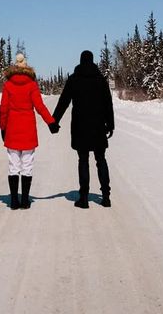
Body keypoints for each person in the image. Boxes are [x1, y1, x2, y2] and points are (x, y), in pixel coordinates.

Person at [53, 49, 114, 208]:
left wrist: (54, 121)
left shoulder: (74, 79)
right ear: (92, 61)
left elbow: (63, 101)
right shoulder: (101, 80)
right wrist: (111, 124)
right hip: (99, 126)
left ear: (80, 61)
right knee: (101, 159)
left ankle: (84, 198)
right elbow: (108, 104)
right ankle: (106, 197)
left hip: (80, 126)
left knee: (83, 160)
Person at [0, 52, 59, 210]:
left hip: (12, 129)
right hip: (28, 130)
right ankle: (25, 200)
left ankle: (13, 200)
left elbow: (3, 109)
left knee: (13, 166)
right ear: (26, 67)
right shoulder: (32, 85)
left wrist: (3, 127)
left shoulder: (8, 85)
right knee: (27, 165)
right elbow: (40, 106)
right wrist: (51, 122)